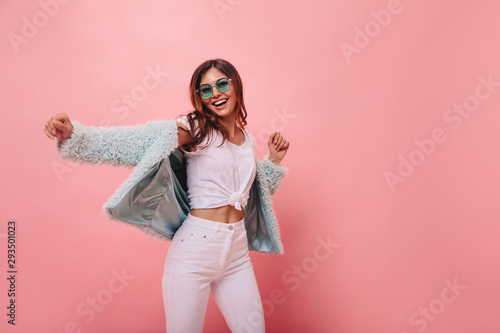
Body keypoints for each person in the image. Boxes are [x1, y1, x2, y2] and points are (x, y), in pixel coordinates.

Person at [44, 58, 289, 332]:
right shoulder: (195, 128)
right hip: (195, 251)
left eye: (222, 84)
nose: (216, 93)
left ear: (235, 86)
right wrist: (75, 136)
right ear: (199, 98)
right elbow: (133, 142)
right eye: (205, 89)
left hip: (236, 254)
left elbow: (246, 195)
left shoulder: (246, 138)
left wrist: (273, 161)